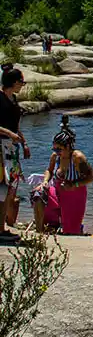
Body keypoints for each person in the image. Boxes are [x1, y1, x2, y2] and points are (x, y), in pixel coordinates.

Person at [32, 120, 93, 235]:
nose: (56, 152)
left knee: (70, 231)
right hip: (57, 191)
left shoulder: (77, 157)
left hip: (74, 195)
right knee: (38, 194)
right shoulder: (55, 157)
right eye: (54, 149)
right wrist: (45, 181)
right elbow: (49, 170)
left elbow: (92, 176)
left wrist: (74, 184)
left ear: (67, 146)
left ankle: (74, 228)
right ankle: (39, 231)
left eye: (59, 149)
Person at [0, 64, 30, 240]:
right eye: (21, 81)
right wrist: (10, 134)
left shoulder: (14, 100)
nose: (22, 85)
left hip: (12, 148)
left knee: (10, 189)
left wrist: (24, 143)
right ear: (13, 82)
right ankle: (0, 230)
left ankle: (2, 226)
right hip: (1, 147)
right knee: (2, 189)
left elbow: (16, 125)